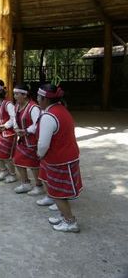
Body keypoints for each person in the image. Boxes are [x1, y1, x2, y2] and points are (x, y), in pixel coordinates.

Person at [36, 84, 83, 232]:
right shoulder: (61, 109)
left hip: (60, 159)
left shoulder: (48, 116)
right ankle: (64, 217)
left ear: (45, 100)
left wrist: (39, 154)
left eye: (38, 97)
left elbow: (43, 143)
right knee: (59, 192)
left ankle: (70, 222)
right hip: (67, 156)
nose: (37, 99)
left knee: (58, 194)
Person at [12, 84, 43, 195]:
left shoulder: (33, 108)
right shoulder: (17, 106)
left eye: (17, 94)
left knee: (33, 165)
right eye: (14, 94)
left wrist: (26, 131)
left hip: (33, 141)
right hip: (23, 140)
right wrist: (16, 127)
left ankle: (39, 186)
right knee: (18, 160)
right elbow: (14, 118)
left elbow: (38, 124)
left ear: (25, 95)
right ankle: (25, 183)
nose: (15, 96)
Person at [0, 80, 17, 183]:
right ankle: (4, 171)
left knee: (7, 157)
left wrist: (5, 126)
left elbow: (14, 118)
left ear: (0, 91)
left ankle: (13, 175)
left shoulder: (8, 104)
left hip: (9, 134)